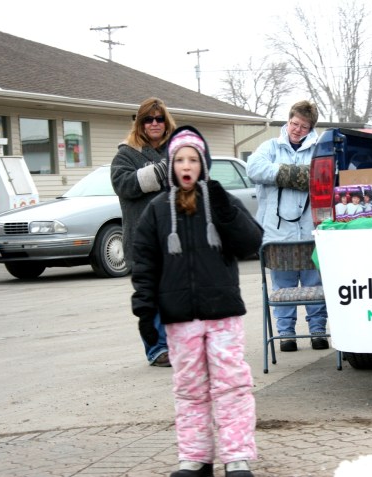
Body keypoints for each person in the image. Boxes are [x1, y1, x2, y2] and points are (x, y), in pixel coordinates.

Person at [131, 125, 263, 477]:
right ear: (171, 165)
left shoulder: (220, 201)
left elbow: (251, 242)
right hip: (179, 318)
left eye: (193, 159)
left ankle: (236, 457)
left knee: (232, 386)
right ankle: (196, 457)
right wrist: (145, 309)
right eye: (180, 160)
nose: (186, 166)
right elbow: (144, 263)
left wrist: (224, 208)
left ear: (203, 164)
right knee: (189, 389)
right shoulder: (157, 211)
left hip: (223, 314)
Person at [246, 100, 329, 352]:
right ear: (288, 121)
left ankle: (317, 331)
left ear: (310, 128)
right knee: (283, 286)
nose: (297, 130)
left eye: (303, 127)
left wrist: (291, 176)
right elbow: (254, 169)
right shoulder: (270, 146)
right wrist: (295, 175)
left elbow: (325, 174)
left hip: (310, 231)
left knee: (315, 284)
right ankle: (286, 335)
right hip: (276, 234)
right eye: (294, 123)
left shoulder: (319, 147)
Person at [111, 97, 176, 367]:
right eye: (148, 119)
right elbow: (124, 185)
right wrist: (162, 171)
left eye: (159, 118)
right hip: (142, 240)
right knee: (150, 298)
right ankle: (157, 349)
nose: (154, 123)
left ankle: (179, 347)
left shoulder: (178, 150)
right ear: (139, 123)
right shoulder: (126, 154)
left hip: (176, 238)